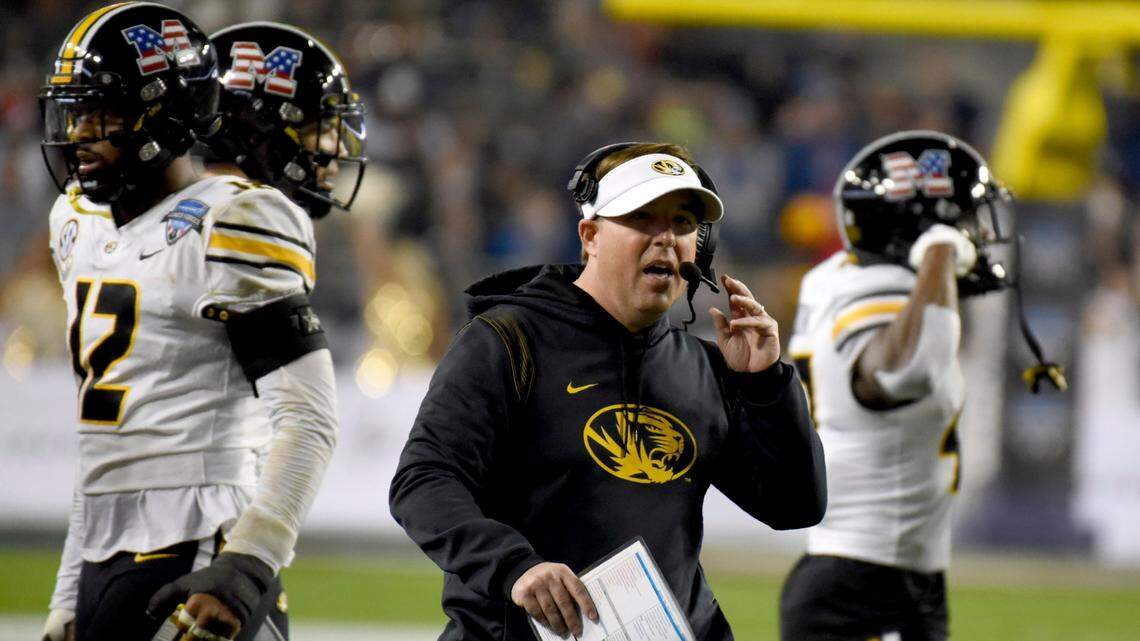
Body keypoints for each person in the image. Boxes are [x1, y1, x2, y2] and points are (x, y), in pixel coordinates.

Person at [390, 141, 827, 640]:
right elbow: (423, 481)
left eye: (683, 223)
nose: (667, 238)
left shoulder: (707, 367)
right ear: (590, 235)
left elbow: (795, 507)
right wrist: (514, 567)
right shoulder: (509, 341)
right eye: (642, 218)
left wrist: (765, 385)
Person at [38, 4, 338, 641]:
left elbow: (308, 417)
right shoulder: (77, 222)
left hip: (200, 542)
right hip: (105, 552)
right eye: (75, 112)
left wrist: (249, 562)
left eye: (102, 114)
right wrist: (68, 594)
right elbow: (111, 449)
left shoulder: (234, 218)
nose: (79, 133)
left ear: (165, 115)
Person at [779, 130, 1038, 641]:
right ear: (916, 228)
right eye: (962, 221)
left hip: (876, 571)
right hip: (867, 582)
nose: (975, 237)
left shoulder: (835, 277)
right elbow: (906, 370)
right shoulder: (882, 291)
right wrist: (938, 254)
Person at [205, 21, 367, 219]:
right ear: (257, 131)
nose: (341, 150)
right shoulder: (259, 217)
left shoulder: (191, 201)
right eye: (324, 129)